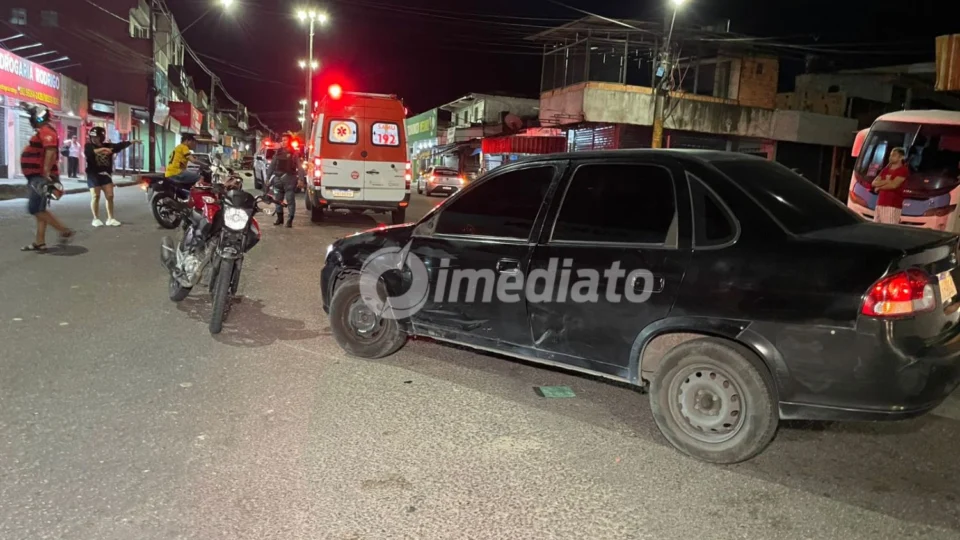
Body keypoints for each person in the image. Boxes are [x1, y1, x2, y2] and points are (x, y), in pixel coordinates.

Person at [20, 105, 74, 252]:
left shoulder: (46, 131)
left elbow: (50, 150)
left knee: (34, 209)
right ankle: (40, 242)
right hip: (37, 176)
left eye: (32, 115)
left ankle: (63, 230)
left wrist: (45, 172)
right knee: (40, 209)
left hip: (40, 177)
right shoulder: (44, 130)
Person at [84, 127, 134, 227]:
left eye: (97, 137)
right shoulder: (88, 146)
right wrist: (103, 149)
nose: (94, 139)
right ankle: (96, 218)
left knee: (110, 196)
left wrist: (132, 142)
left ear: (101, 137)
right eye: (92, 137)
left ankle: (110, 218)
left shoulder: (108, 145)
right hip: (93, 174)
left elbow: (119, 146)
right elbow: (89, 153)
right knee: (96, 196)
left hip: (105, 174)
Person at [266, 132, 303, 228]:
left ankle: (290, 219)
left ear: (289, 141)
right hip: (277, 179)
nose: (283, 142)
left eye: (285, 140)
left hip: (289, 179)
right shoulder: (278, 153)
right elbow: (272, 166)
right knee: (278, 200)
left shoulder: (294, 153)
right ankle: (280, 218)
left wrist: (301, 179)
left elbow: (299, 167)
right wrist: (267, 177)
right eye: (282, 140)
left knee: (290, 200)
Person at [872, 147, 909, 225]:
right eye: (890, 155)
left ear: (901, 157)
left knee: (889, 229)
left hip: (892, 206)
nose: (891, 157)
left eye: (894, 155)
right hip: (880, 204)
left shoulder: (903, 170)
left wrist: (879, 187)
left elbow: (893, 185)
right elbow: (874, 183)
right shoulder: (885, 169)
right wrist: (886, 181)